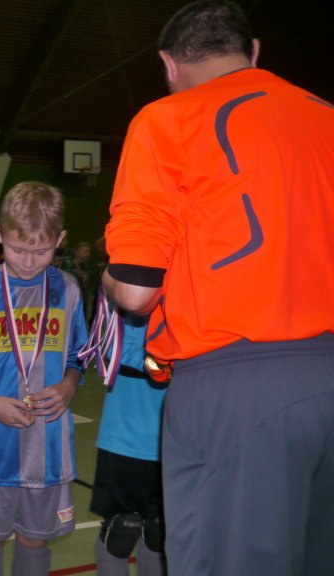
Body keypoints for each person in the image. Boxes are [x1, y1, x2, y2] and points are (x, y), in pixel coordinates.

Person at [102, 2, 334, 574]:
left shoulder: (166, 120)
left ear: (169, 64)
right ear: (253, 53)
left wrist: (108, 279)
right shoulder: (324, 115)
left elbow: (135, 291)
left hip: (236, 386)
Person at [0, 182, 88, 576]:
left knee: (35, 539)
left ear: (60, 239)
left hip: (47, 444)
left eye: (41, 251)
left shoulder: (67, 290)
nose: (27, 261)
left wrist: (68, 385)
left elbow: (78, 355)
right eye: (17, 249)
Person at [89, 311, 167, 576]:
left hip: (173, 443)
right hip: (125, 438)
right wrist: (162, 364)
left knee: (158, 533)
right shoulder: (133, 300)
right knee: (121, 531)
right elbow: (114, 346)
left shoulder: (191, 302)